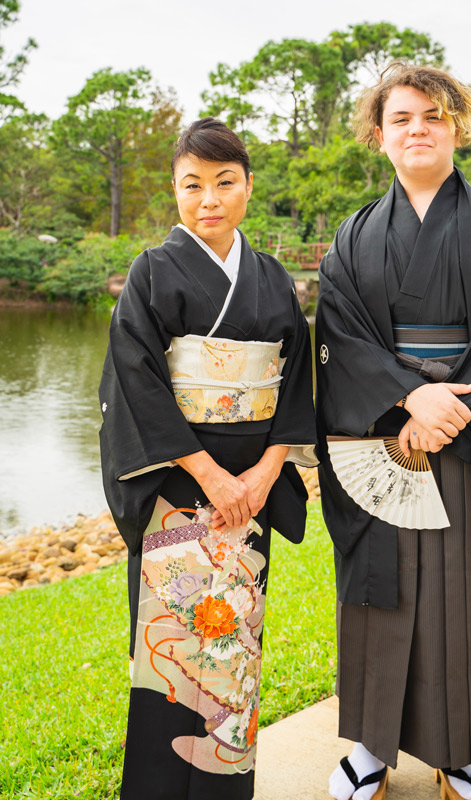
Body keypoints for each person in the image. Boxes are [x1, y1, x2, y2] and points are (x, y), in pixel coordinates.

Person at [315, 62, 471, 800]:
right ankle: (372, 749)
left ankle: (463, 752)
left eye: (432, 115)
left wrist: (448, 409)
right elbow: (339, 339)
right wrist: (407, 401)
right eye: (401, 118)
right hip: (388, 441)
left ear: (458, 124)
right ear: (378, 135)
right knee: (380, 597)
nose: (417, 129)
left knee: (470, 598)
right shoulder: (355, 235)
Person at [99, 117, 317, 800]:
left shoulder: (274, 280)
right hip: (177, 489)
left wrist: (265, 470)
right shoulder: (152, 272)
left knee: (234, 656)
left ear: (248, 187)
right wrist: (210, 474)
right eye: (193, 185)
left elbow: (298, 381)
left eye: (225, 182)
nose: (209, 199)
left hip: (249, 494)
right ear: (175, 190)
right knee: (171, 653)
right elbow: (135, 381)